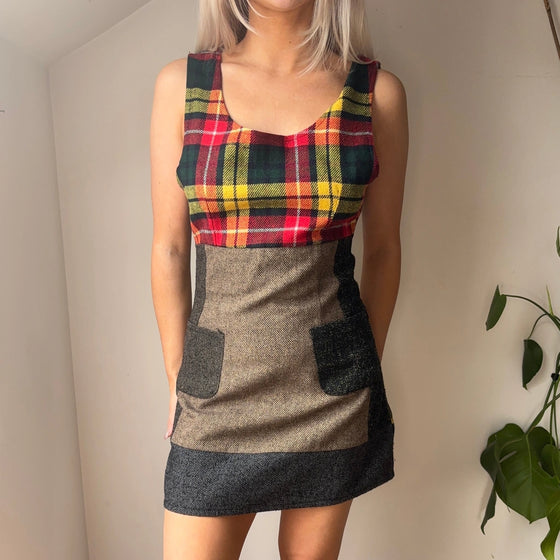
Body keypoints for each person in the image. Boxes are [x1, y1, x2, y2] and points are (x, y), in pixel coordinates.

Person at [150, 0, 408, 558]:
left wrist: (363, 371)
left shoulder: (375, 94)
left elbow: (385, 249)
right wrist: (177, 377)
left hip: (330, 397)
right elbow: (169, 248)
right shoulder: (182, 87)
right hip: (217, 393)